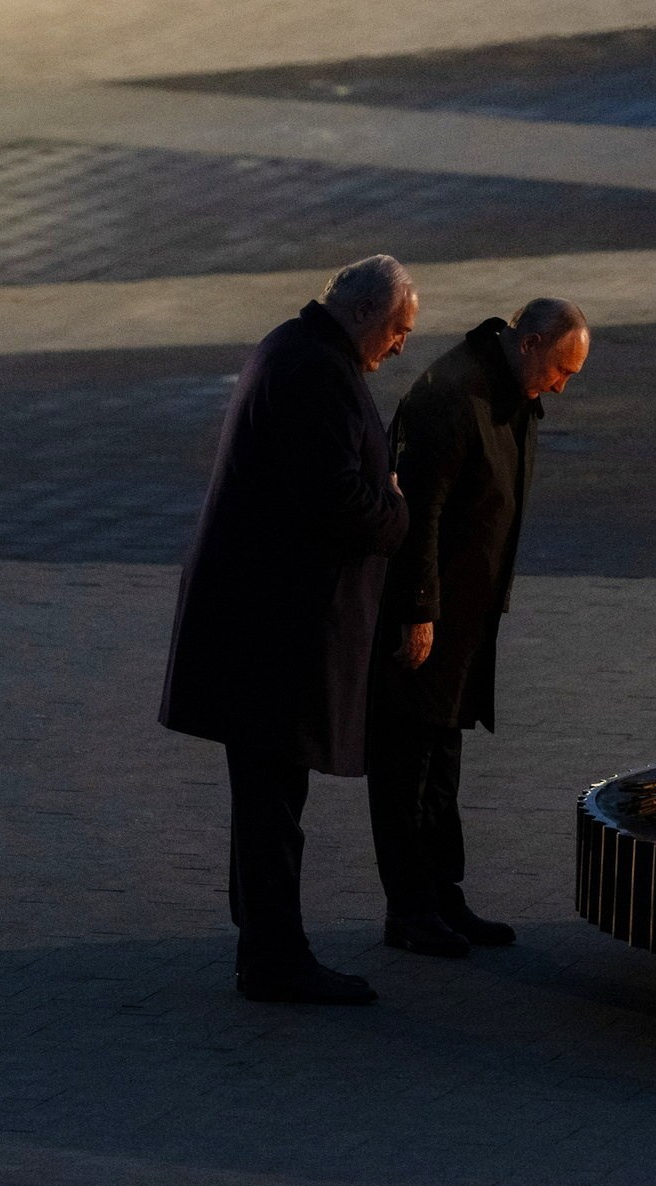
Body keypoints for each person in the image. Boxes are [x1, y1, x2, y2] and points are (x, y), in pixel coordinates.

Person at [160, 255, 417, 1004]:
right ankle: (274, 956)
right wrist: (397, 508)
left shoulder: (294, 347)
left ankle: (263, 936)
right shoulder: (316, 371)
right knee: (273, 798)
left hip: (258, 623)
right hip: (273, 630)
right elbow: (339, 502)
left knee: (266, 795)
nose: (401, 344)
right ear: (364, 313)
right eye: (398, 328)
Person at [368, 298, 590, 957]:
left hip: (462, 620)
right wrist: (418, 610)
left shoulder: (507, 392)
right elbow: (419, 514)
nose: (562, 387)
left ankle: (443, 895)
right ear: (530, 343)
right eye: (561, 370)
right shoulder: (454, 394)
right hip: (427, 618)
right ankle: (409, 909)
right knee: (407, 765)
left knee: (441, 761)